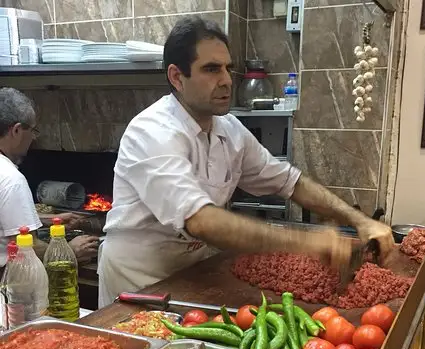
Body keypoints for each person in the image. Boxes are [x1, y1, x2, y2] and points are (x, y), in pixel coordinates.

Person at [98, 17, 394, 307]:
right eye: (211, 69)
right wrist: (306, 243)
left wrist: (360, 221)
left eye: (228, 68)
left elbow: (290, 182)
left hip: (191, 273)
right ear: (177, 77)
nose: (226, 80)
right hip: (138, 279)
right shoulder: (151, 131)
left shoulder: (229, 129)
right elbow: (201, 221)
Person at [0, 87, 99, 269]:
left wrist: (47, 219)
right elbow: (26, 247)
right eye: (33, 130)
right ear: (16, 131)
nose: (33, 139)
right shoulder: (11, 179)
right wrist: (69, 251)